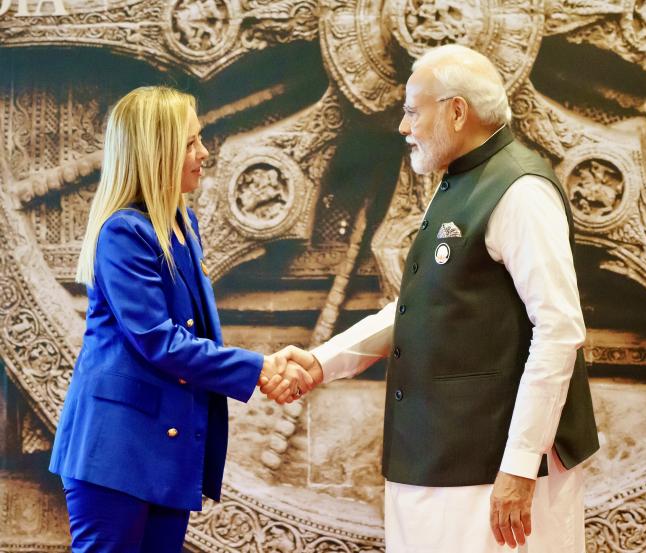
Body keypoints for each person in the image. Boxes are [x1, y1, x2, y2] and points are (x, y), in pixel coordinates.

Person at [265, 44, 600, 552]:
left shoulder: (521, 191)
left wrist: (518, 466)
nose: (404, 127)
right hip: (443, 463)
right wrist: (320, 363)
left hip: (492, 471)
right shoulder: (462, 182)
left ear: (456, 111)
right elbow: (421, 309)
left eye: (411, 111)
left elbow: (559, 331)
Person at [49, 86, 313, 553]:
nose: (204, 152)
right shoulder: (123, 232)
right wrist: (261, 368)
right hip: (117, 455)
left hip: (163, 458)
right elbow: (160, 342)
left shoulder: (180, 228)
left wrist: (263, 366)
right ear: (157, 152)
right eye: (190, 143)